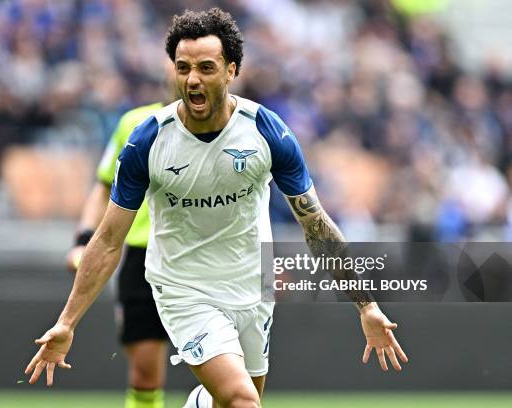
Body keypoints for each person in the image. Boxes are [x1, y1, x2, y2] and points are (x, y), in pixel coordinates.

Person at [25, 8, 408, 408]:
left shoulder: (266, 132)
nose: (193, 79)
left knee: (234, 400)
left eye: (206, 67)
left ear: (231, 70)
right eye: (183, 67)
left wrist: (368, 306)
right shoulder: (147, 142)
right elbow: (107, 240)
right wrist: (66, 322)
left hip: (250, 286)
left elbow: (316, 224)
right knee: (244, 401)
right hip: (183, 290)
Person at [66, 101, 169, 408]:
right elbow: (104, 186)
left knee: (225, 372)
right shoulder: (136, 122)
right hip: (142, 256)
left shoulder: (235, 122)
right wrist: (84, 238)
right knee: (144, 373)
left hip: (205, 257)